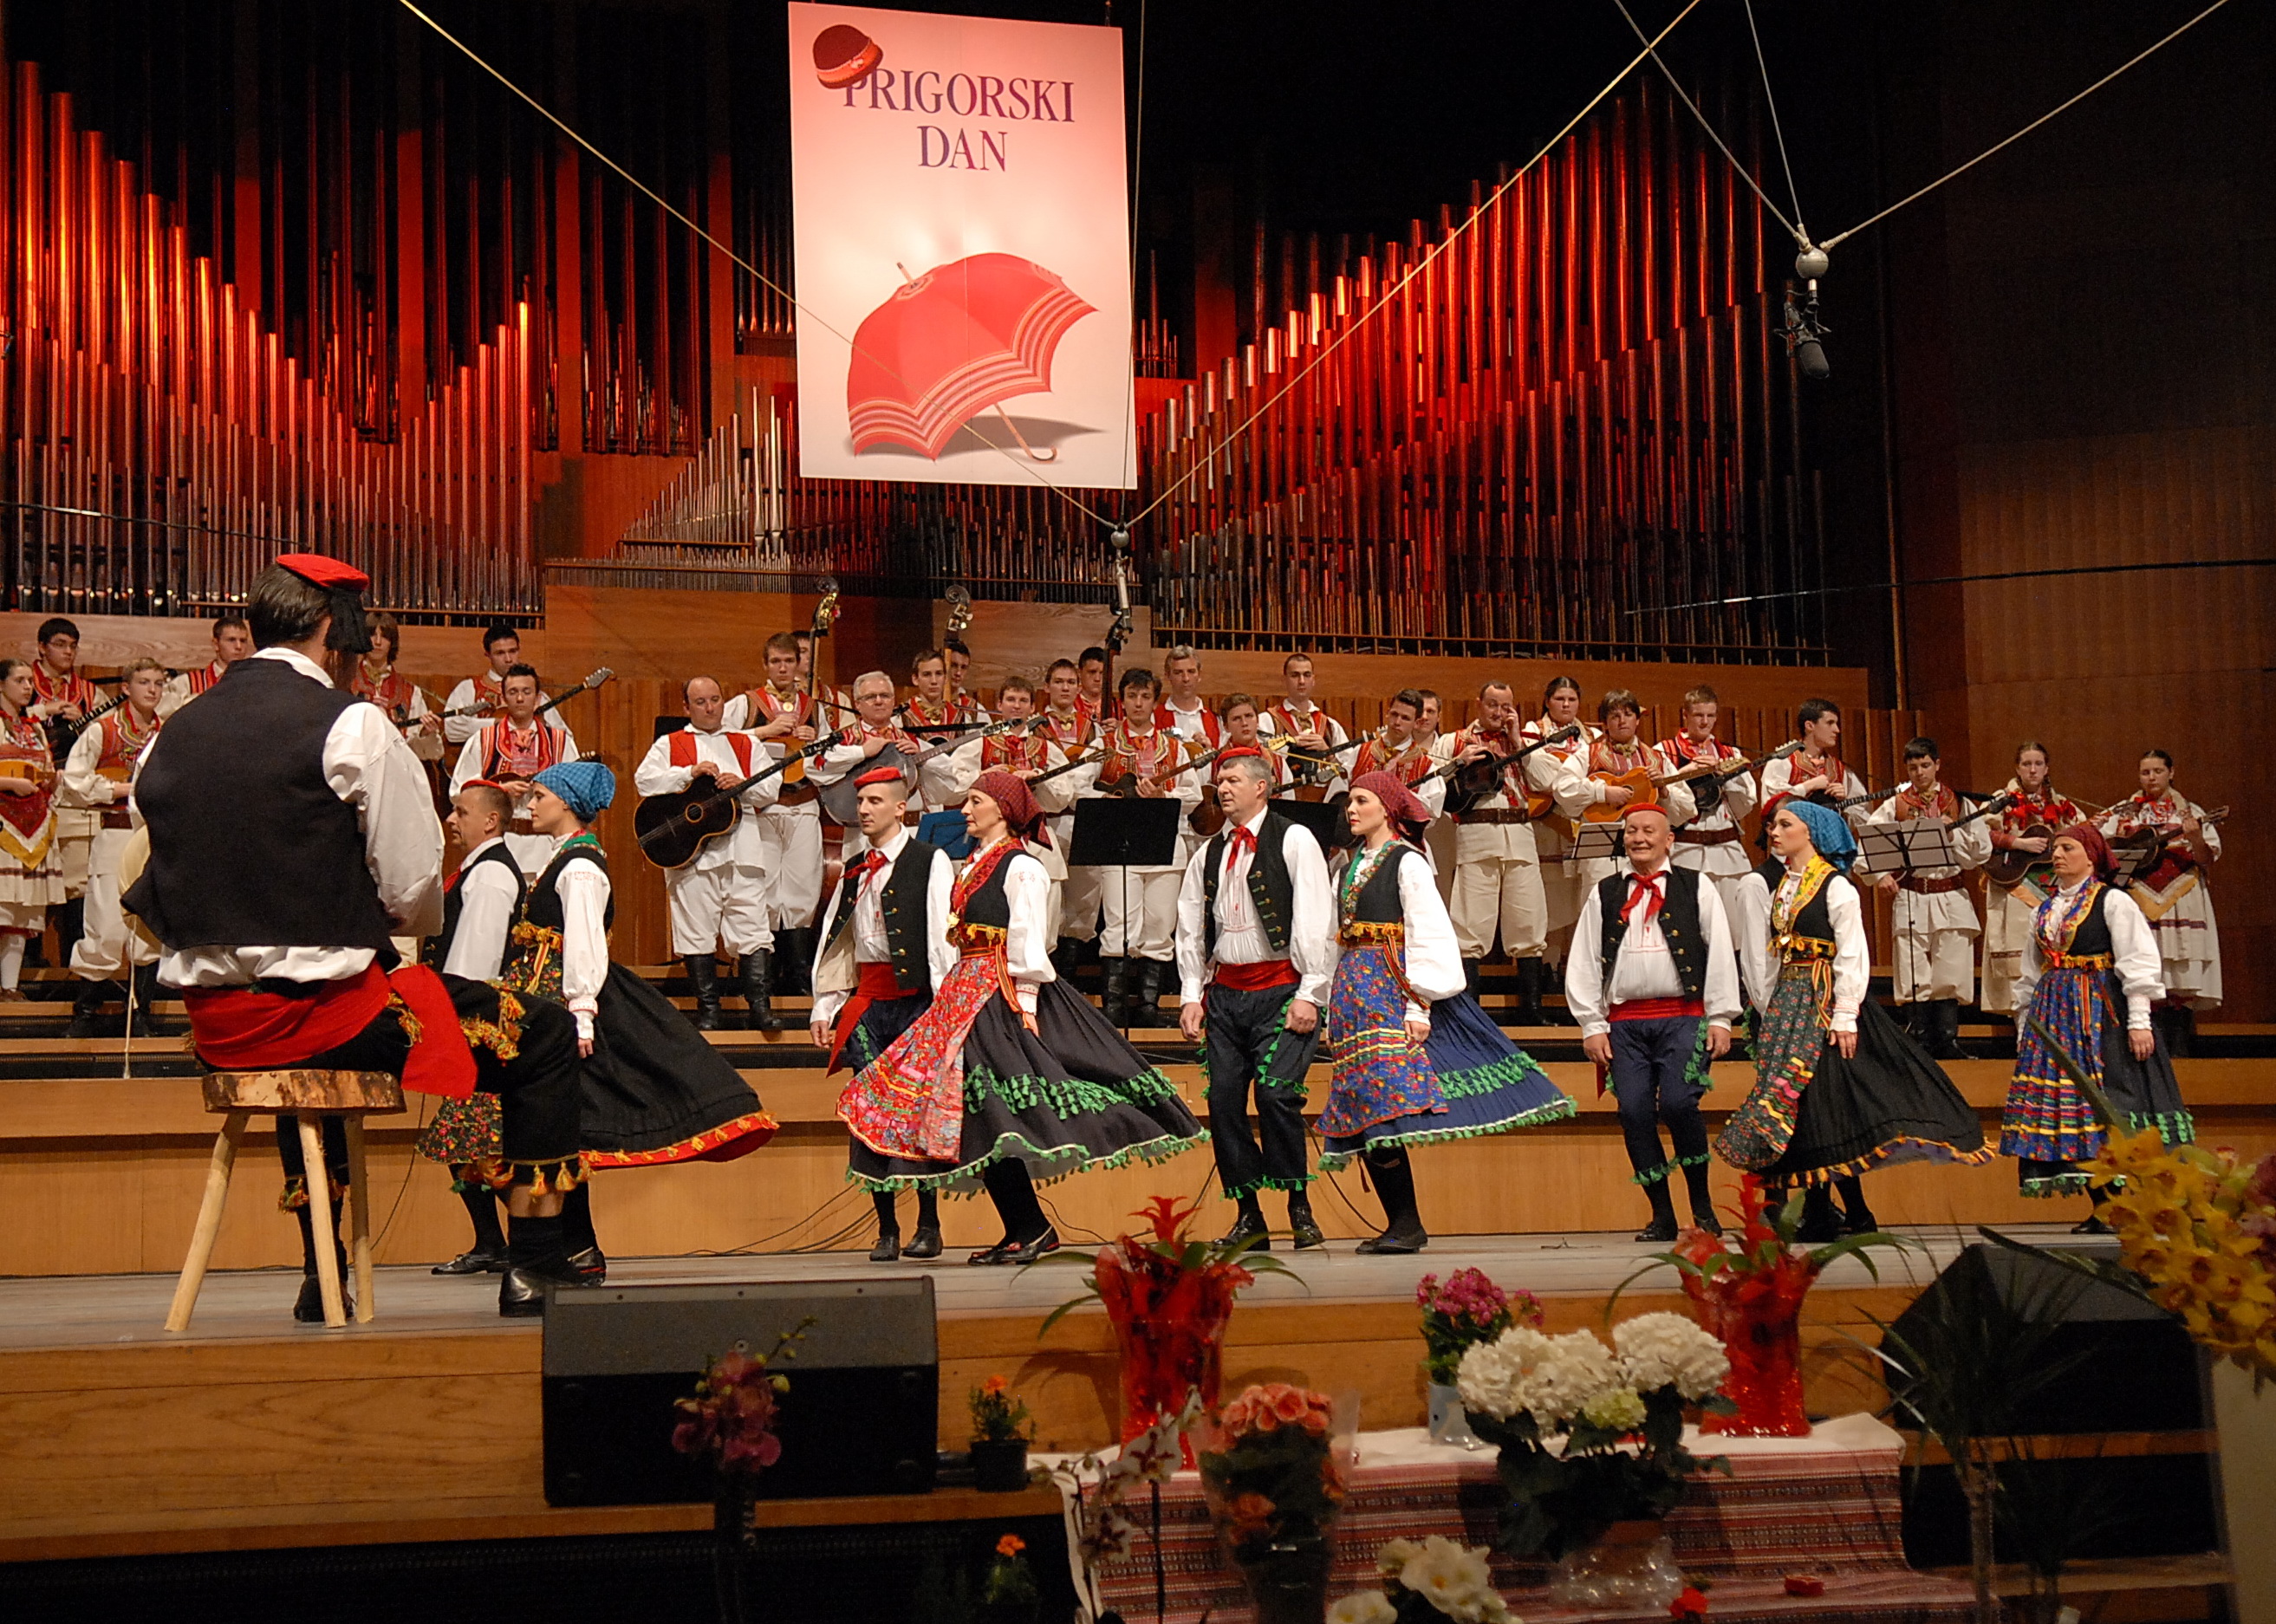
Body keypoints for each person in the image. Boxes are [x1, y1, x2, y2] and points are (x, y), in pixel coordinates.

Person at [124, 555, 576, 1321]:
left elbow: (152, 850)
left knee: (308, 1056)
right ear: (331, 630)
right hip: (330, 1019)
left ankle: (320, 1274)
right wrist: (359, 919)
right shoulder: (351, 722)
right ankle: (534, 1268)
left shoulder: (174, 730)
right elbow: (411, 881)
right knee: (545, 1034)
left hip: (219, 1029)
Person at [836, 770, 1206, 1264]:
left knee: (995, 1111)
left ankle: (1030, 1227)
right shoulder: (974, 863)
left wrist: (1023, 1011)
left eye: (975, 801)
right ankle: (1025, 1227)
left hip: (1000, 993)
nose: (965, 811)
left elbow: (1028, 943)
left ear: (1003, 810)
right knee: (978, 1116)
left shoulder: (1022, 867)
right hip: (966, 991)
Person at [1318, 772, 1571, 1253]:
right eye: (1350, 801)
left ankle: (1406, 1223)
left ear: (1387, 809)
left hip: (1390, 990)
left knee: (1384, 1107)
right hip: (1353, 993)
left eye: (1361, 800)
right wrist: (1333, 1005)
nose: (1351, 809)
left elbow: (1429, 931)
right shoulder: (1349, 867)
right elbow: (1335, 941)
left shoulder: (1407, 862)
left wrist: (1420, 1004)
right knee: (1365, 1105)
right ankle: (1401, 1223)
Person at [1715, 802, 1990, 1241]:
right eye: (1774, 825)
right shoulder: (1783, 886)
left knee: (1825, 1100)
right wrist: (1771, 1009)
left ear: (1811, 832)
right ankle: (1821, 1212)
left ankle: (1831, 1212)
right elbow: (1769, 955)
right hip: (1790, 1001)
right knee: (1795, 1101)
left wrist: (1844, 1015)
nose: (1774, 832)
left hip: (1823, 999)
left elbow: (1851, 952)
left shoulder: (1836, 886)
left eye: (1786, 824)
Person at [509, 761, 778, 1173]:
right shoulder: (563, 857)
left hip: (563, 996)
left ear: (565, 803)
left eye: (540, 797)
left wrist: (581, 1010)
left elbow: (585, 939)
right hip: (543, 992)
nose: (531, 805)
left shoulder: (579, 867)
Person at [415, 780, 596, 1301]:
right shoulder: (483, 868)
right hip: (488, 1015)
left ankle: (547, 1250)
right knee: (475, 1138)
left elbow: (477, 957)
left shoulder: (495, 873)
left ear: (489, 821)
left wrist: (453, 1014)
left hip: (490, 1019)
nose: (451, 820)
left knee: (500, 1138)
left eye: (460, 811)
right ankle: (519, 1248)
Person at [1175, 750, 1336, 1250]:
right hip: (1226, 995)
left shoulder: (1294, 838)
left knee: (1275, 1094)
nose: (1222, 789)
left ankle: (1299, 1206)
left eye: (1233, 780)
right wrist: (1191, 993)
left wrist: (1311, 992)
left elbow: (1316, 917)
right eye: (1219, 781)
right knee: (1223, 1101)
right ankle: (1249, 1217)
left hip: (1283, 990)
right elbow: (1190, 928)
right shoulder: (1208, 853)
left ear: (1262, 787)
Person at [1562, 803, 1740, 1240]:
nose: (1639, 838)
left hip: (1684, 1018)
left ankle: (1701, 1207)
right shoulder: (1605, 892)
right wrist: (1591, 1024)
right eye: (1631, 832)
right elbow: (1583, 960)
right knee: (1635, 1113)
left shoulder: (1696, 886)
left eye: (1648, 831)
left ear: (1669, 839)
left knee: (1679, 1104)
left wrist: (1721, 1016)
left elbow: (1719, 950)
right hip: (1625, 1024)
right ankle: (1662, 1215)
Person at [1999, 823, 2189, 1225]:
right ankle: (2103, 1205)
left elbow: (2137, 960)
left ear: (2091, 857)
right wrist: (2026, 1025)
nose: (2057, 855)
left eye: (2067, 848)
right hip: (2055, 1016)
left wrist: (2139, 1021)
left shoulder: (2113, 901)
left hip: (2101, 1016)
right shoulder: (2044, 910)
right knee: (2072, 1107)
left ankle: (2126, 1205)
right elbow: (2031, 972)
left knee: (2111, 1099)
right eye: (2056, 848)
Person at [810, 765, 955, 1262]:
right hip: (870, 1004)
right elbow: (836, 940)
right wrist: (825, 1005)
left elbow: (941, 937)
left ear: (900, 807)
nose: (864, 810)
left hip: (916, 1003)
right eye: (861, 802)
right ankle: (886, 1228)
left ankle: (929, 1224)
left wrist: (944, 1009)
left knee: (917, 1112)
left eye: (874, 801)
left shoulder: (929, 860)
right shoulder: (855, 867)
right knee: (869, 1116)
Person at [633, 677, 783, 1030]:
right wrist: (687, 774)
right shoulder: (670, 743)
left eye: (715, 699)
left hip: (742, 848)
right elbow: (644, 781)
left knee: (753, 927)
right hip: (690, 853)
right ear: (686, 707)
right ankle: (709, 1011)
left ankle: (759, 1008)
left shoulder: (745, 742)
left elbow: (771, 789)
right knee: (695, 929)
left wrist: (742, 785)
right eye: (700, 702)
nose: (710, 707)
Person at [1081, 667, 1200, 1027]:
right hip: (1119, 844)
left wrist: (1164, 795)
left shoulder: (1175, 747)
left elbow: (1194, 795)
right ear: (1122, 701)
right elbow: (1079, 788)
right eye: (1132, 696)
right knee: (1120, 924)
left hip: (1164, 845)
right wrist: (1111, 797)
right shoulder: (1103, 745)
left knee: (1160, 925)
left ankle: (1149, 1007)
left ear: (1154, 701)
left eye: (1145, 696)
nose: (1138, 703)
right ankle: (1113, 1007)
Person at [1434, 680, 1558, 1020]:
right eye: (1492, 704)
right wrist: (1457, 763)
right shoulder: (1454, 741)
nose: (1499, 712)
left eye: (1506, 707)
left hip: (1520, 835)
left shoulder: (1524, 741)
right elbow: (1434, 783)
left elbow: (1547, 781)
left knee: (1528, 920)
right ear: (1478, 704)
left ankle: (1531, 1010)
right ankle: (1468, 1013)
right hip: (1476, 835)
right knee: (1470, 923)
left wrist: (1517, 741)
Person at [1864, 738, 1992, 1060]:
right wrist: (1881, 875)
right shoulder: (1896, 804)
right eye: (1913, 768)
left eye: (1925, 765)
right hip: (1913, 893)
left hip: (1951, 894)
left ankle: (1947, 1041)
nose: (1919, 772)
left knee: (1951, 968)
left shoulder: (1959, 803)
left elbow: (1980, 853)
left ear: (1937, 765)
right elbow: (1867, 845)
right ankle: (1918, 1043)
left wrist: (1954, 832)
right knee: (1913, 970)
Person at [62, 658, 166, 1036]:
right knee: (106, 922)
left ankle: (140, 1011)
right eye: (144, 682)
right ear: (126, 688)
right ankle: (86, 1010)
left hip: (152, 837)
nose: (152, 690)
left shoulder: (167, 733)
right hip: (116, 831)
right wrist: (119, 789)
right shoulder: (102, 730)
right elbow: (74, 780)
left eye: (158, 683)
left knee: (148, 926)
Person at [725, 633, 829, 996]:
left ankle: (798, 976)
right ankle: (763, 977)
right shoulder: (746, 702)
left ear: (798, 664)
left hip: (803, 804)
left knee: (803, 887)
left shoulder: (813, 706)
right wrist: (764, 731)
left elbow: (830, 754)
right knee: (764, 887)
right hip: (764, 808)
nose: (783, 668)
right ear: (765, 664)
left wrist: (815, 740)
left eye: (788, 661)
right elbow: (722, 741)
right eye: (775, 662)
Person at [2100, 750, 2222, 1055]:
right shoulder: (2124, 812)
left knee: (2178, 974)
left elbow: (2206, 858)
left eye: (2158, 771)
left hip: (2180, 896)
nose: (2151, 777)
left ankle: (2179, 1048)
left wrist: (2195, 838)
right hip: (2138, 897)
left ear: (2171, 772)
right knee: (2141, 970)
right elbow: (2097, 846)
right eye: (2146, 772)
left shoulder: (2190, 812)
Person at [1562, 689, 1697, 896]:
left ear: (1637, 720)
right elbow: (1563, 788)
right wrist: (1602, 792)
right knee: (1602, 908)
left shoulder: (1657, 759)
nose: (1622, 721)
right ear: (1605, 723)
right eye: (1615, 716)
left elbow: (1688, 808)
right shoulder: (1588, 754)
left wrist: (1664, 791)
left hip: (1648, 851)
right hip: (1602, 857)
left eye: (1628, 714)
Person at [1980, 742, 2083, 1017]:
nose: (2033, 770)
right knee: (2017, 956)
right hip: (2013, 886)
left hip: (2051, 890)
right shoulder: (2001, 800)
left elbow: (2081, 835)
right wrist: (2016, 843)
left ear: (2047, 768)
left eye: (2038, 764)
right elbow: (1977, 832)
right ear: (2017, 768)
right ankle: (2023, 1024)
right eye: (2027, 764)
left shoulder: (2061, 805)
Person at [449, 662, 578, 874]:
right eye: (513, 692)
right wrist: (499, 792)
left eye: (527, 692)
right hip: (499, 842)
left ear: (538, 698)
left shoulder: (560, 742)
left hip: (546, 846)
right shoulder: (483, 740)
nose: (520, 698)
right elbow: (459, 792)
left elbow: (575, 793)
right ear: (503, 698)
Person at [28, 618, 99, 966]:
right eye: (60, 644)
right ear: (42, 647)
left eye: (73, 645)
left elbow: (105, 736)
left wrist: (84, 720)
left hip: (71, 800)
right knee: (29, 881)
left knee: (75, 884)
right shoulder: (21, 681)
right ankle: (26, 967)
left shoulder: (88, 692)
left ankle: (73, 967)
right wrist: (44, 710)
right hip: (27, 796)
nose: (68, 652)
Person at [1656, 685, 1759, 924]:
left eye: (1710, 715)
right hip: (1685, 849)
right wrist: (1685, 773)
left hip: (1728, 852)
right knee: (1687, 923)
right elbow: (1657, 798)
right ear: (1685, 715)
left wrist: (1725, 776)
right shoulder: (1664, 751)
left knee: (1734, 925)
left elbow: (1745, 805)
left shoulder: (1730, 753)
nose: (1705, 722)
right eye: (1698, 715)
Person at [0, 659, 66, 1001]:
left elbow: (46, 773)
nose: (28, 687)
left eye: (30, 680)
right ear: (1, 685)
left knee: (19, 910)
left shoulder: (34, 729)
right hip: (2, 826)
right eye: (20, 680)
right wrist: (10, 782)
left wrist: (54, 781)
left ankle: (9, 987)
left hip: (32, 827)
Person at [1524, 676, 1597, 978]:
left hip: (1584, 824)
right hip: (1548, 825)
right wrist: (1574, 781)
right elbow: (1541, 778)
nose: (1566, 705)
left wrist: (1569, 780)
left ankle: (1575, 969)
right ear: (1547, 701)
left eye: (1572, 699)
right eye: (1559, 699)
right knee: (1550, 900)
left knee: (1580, 895)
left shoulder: (1593, 736)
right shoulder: (1531, 732)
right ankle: (1548, 968)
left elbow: (1599, 775)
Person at [1758, 698, 1868, 823]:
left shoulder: (1839, 768)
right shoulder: (1783, 761)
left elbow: (1861, 811)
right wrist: (1809, 786)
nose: (1837, 730)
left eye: (1836, 724)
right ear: (1809, 726)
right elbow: (1771, 804)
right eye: (1830, 723)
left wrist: (1843, 802)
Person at [1259, 653, 1350, 797]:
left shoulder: (1330, 726)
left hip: (1324, 801)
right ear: (1284, 680)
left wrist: (1327, 752)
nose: (1301, 681)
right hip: (1282, 800)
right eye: (1295, 675)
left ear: (1313, 680)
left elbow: (1349, 769)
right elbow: (1259, 758)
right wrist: (1291, 744)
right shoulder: (1267, 721)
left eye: (1307, 675)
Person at [349, 613, 441, 749]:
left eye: (385, 636)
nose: (378, 642)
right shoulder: (345, 685)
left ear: (392, 642)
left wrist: (425, 734)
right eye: (372, 635)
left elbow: (414, 749)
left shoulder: (409, 692)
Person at [442, 624, 538, 746]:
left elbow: (559, 731)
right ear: (488, 655)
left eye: (513, 651)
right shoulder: (468, 688)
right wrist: (496, 724)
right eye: (500, 653)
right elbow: (452, 728)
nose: (508, 659)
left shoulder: (532, 690)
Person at [1348, 690, 1443, 810]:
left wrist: (1398, 793)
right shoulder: (1361, 752)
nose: (1397, 722)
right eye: (1394, 714)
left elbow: (1431, 810)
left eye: (1405, 718)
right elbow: (1338, 794)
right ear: (1387, 713)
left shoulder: (1426, 767)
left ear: (1417, 723)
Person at [159, 613, 252, 716]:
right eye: (231, 640)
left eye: (243, 641)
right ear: (216, 644)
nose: (238, 646)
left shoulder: (253, 682)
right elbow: (161, 714)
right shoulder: (188, 683)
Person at [1156, 646, 1220, 750]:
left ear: (1199, 675)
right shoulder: (1154, 718)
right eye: (1178, 673)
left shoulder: (1216, 720)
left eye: (1191, 671)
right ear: (1167, 676)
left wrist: (1210, 752)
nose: (1186, 678)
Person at [943, 637, 990, 723]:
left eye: (963, 667)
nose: (958, 673)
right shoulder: (927, 706)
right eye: (953, 665)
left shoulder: (975, 709)